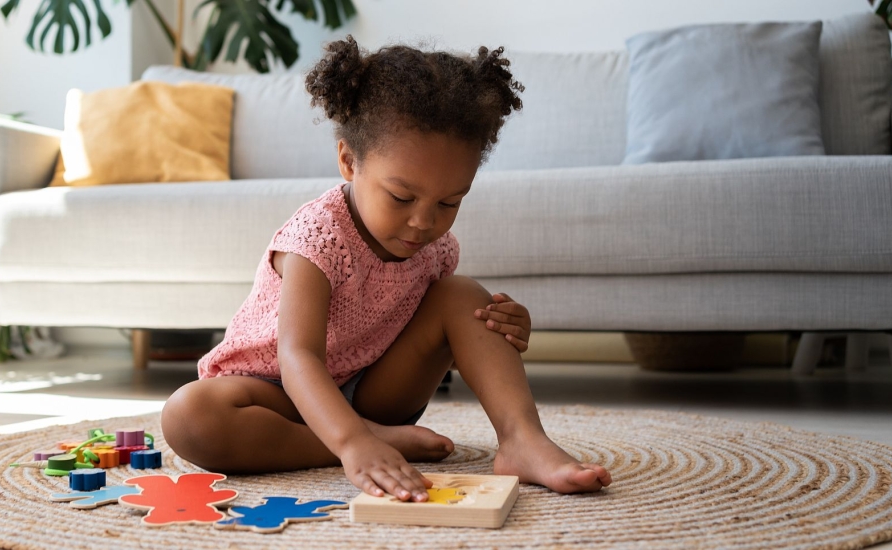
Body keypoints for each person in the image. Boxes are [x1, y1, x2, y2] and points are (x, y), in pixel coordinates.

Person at [162, 36, 612, 502]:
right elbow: (298, 358)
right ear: (349, 162)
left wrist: (502, 328)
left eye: (449, 202)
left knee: (465, 296)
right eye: (401, 197)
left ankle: (522, 439)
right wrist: (353, 442)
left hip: (376, 393)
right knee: (188, 415)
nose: (423, 222)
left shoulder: (435, 248)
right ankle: (349, 443)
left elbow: (447, 338)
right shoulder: (316, 239)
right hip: (275, 395)